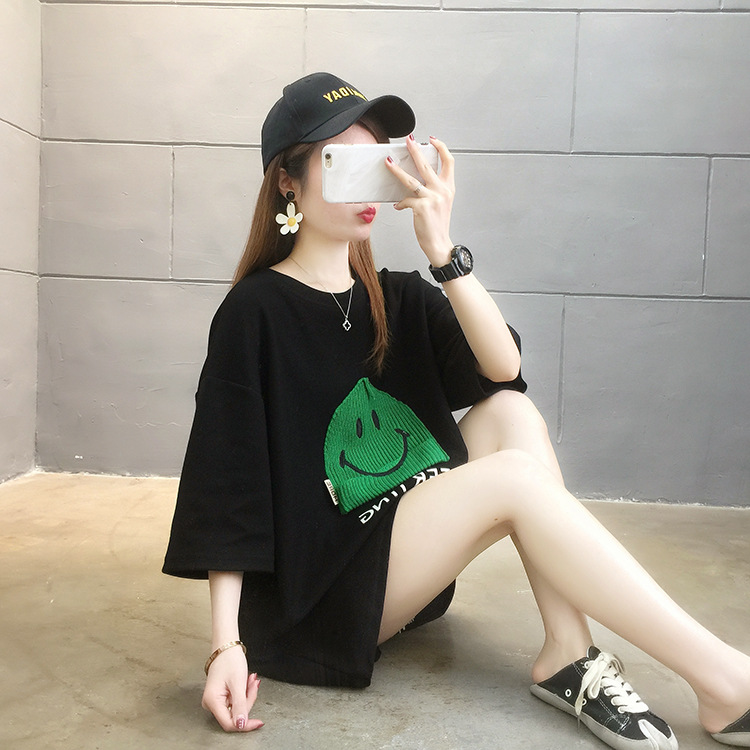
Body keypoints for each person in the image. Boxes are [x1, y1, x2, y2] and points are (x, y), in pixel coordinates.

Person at [163, 72, 750, 748]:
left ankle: (567, 650)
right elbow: (228, 483)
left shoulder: (398, 297)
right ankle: (726, 683)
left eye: (378, 161)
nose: (368, 184)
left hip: (401, 557)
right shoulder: (254, 311)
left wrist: (443, 251)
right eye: (340, 162)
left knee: (510, 415)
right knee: (513, 478)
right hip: (319, 599)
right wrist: (225, 645)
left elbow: (503, 371)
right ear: (287, 182)